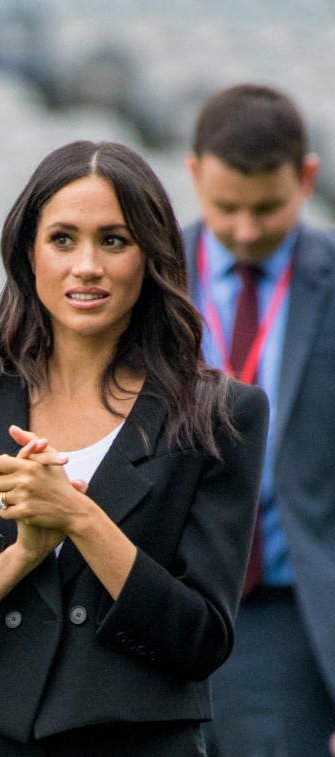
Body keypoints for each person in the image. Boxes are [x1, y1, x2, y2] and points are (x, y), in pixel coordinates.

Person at [0, 140, 269, 756]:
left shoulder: (221, 414)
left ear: (149, 257)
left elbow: (202, 640)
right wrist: (22, 557)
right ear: (29, 255)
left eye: (114, 240)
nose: (87, 265)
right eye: (63, 239)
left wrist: (78, 517)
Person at [184, 82, 335, 756]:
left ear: (307, 178)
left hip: (285, 620)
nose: (245, 230)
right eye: (225, 208)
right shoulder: (138, 277)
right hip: (153, 605)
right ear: (193, 175)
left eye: (267, 208)